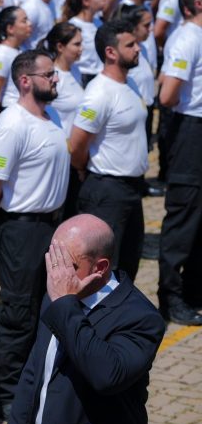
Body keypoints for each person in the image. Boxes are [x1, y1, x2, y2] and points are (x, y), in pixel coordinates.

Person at [0, 215, 165, 424]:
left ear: (100, 267)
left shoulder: (140, 318)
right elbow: (32, 378)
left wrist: (65, 306)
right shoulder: (59, 294)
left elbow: (106, 375)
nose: (56, 273)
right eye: (53, 259)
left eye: (68, 264)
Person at [0, 50, 71, 419]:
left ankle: (33, 384)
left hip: (50, 225)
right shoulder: (12, 123)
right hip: (20, 227)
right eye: (48, 74)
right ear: (25, 80)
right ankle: (4, 394)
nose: (56, 79)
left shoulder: (52, 117)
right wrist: (1, 209)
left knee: (42, 310)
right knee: (18, 312)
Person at [69, 19, 147, 280]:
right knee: (102, 269)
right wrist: (81, 168)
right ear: (110, 53)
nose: (138, 48)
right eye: (130, 45)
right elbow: (78, 143)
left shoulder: (130, 85)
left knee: (128, 262)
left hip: (132, 187)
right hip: (107, 190)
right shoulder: (99, 93)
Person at [157, 0, 202, 325]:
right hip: (190, 129)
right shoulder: (187, 38)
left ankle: (193, 289)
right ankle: (171, 297)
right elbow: (168, 95)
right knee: (183, 216)